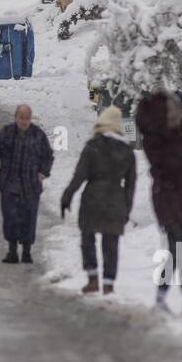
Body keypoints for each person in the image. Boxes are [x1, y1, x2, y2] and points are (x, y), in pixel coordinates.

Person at [134, 89, 182, 315]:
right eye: (172, 110)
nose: (176, 114)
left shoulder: (174, 134)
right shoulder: (155, 140)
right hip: (168, 198)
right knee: (180, 249)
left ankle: (171, 300)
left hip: (181, 196)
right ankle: (176, 300)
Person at [60, 107, 137, 296]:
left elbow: (79, 176)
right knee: (111, 243)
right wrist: (126, 207)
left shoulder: (92, 147)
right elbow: (131, 184)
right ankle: (109, 282)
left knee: (88, 236)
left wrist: (67, 197)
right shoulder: (127, 151)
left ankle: (92, 277)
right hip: (116, 199)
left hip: (93, 197)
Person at [0, 105, 54, 264]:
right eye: (21, 118)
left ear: (30, 119)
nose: (23, 121)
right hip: (9, 184)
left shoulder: (38, 135)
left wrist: (43, 171)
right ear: (15, 118)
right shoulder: (6, 133)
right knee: (11, 218)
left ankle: (27, 252)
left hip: (31, 186)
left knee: (29, 219)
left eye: (26, 118)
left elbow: (48, 156)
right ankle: (12, 250)